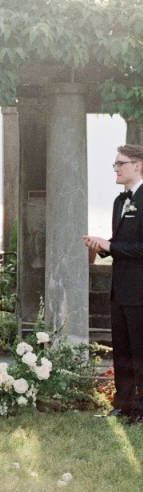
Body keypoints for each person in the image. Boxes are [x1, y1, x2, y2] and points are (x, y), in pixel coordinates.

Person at [84, 144, 143, 426]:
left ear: (138, 165)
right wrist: (102, 246)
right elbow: (120, 244)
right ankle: (123, 405)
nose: (116, 169)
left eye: (121, 163)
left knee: (140, 349)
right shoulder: (119, 202)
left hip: (140, 290)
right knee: (120, 348)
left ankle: (141, 409)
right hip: (119, 289)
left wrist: (112, 245)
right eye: (115, 164)